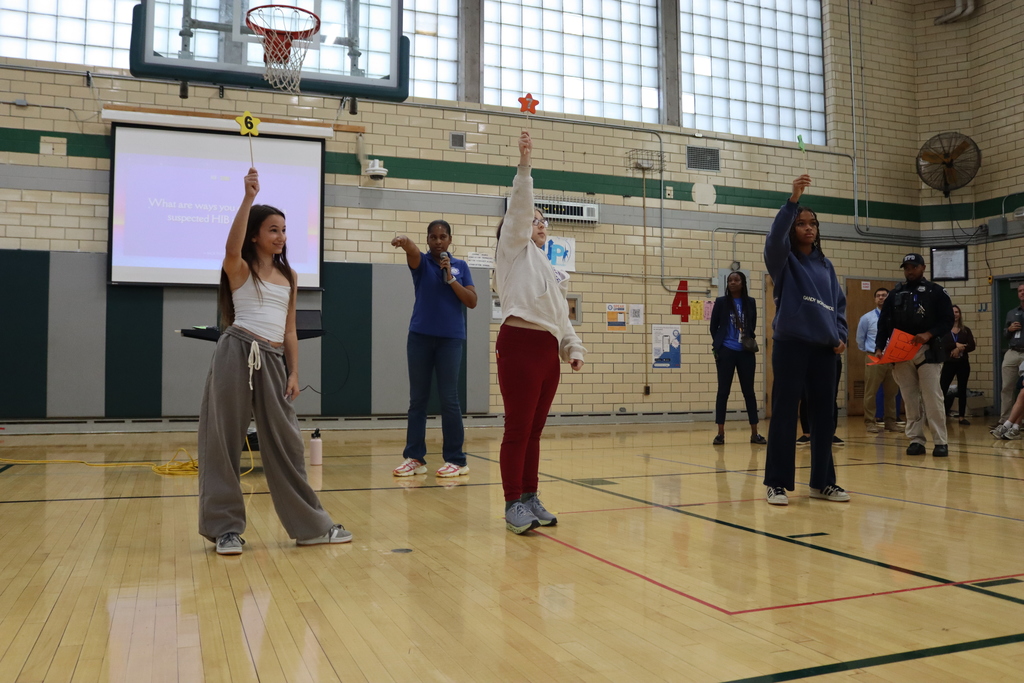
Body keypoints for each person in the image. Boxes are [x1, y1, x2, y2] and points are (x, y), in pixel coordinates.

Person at [198, 167, 351, 555]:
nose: (281, 236)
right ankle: (225, 530)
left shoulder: (290, 276)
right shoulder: (240, 268)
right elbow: (231, 249)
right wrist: (248, 198)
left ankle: (311, 525)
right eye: (273, 229)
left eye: (283, 229)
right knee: (223, 442)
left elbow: (289, 332)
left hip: (273, 359)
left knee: (286, 443)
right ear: (255, 235)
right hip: (237, 351)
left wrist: (294, 370)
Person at [494, 130, 586, 534]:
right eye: (535, 219)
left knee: (535, 430)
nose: (540, 223)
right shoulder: (513, 248)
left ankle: (530, 496)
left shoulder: (547, 268)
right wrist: (525, 165)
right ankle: (512, 501)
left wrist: (571, 345)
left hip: (547, 351)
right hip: (519, 345)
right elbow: (519, 208)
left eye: (543, 220)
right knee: (518, 428)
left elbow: (560, 318)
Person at [762, 174, 850, 506]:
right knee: (785, 414)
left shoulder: (826, 266)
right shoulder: (784, 262)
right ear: (792, 228)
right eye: (801, 223)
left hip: (825, 350)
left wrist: (840, 336)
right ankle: (777, 483)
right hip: (791, 346)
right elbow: (772, 240)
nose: (808, 228)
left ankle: (823, 482)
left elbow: (839, 305)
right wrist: (793, 201)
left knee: (824, 417)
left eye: (812, 223)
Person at [390, 221, 478, 478]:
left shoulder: (460, 266)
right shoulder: (422, 263)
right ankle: (414, 457)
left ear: (450, 240)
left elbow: (472, 301)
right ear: (428, 240)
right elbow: (413, 252)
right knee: (417, 400)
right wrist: (405, 241)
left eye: (443, 237)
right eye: (433, 237)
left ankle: (457, 460)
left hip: (450, 340)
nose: (438, 241)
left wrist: (451, 278)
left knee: (449, 400)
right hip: (420, 338)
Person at [875, 254, 955, 457]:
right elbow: (883, 322)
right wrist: (879, 347)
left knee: (932, 396)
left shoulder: (936, 292)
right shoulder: (895, 294)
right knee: (910, 398)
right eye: (906, 268)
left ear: (923, 268)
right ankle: (916, 440)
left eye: (914, 267)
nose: (910, 271)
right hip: (900, 350)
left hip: (927, 349)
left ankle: (940, 441)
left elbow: (947, 320)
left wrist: (929, 334)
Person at [709, 271, 766, 445]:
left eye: (736, 280)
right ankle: (720, 433)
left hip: (745, 352)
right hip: (726, 351)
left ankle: (755, 433)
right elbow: (714, 326)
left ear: (743, 283)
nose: (732, 283)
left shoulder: (750, 302)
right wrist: (720, 345)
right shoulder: (721, 302)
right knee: (723, 392)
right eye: (730, 280)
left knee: (749, 392)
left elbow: (752, 324)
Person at [856, 287, 899, 433]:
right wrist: (869, 351)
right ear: (875, 299)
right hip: (874, 356)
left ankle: (891, 422)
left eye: (884, 295)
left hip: (892, 358)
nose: (881, 298)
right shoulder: (867, 318)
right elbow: (860, 339)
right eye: (878, 295)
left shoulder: (895, 316)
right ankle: (870, 422)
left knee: (891, 392)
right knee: (871, 392)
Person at [939, 305, 975, 426]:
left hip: (963, 363)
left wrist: (961, 348)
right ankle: (941, 414)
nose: (955, 314)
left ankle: (961, 416)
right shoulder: (944, 329)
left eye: (957, 312)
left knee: (962, 389)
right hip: (949, 363)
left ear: (960, 314)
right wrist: (956, 345)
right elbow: (943, 345)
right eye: (952, 312)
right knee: (942, 388)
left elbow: (972, 346)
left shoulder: (966, 330)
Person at [998, 283, 1024, 423]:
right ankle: (1005, 420)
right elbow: (1005, 335)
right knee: (1007, 387)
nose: (1022, 293)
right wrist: (1010, 330)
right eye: (1020, 291)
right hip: (1013, 352)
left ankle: (1020, 420)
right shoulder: (1012, 312)